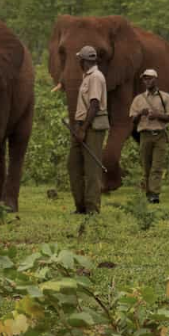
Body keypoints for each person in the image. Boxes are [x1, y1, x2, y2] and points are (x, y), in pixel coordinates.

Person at [68, 45, 108, 214]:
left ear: (83, 61)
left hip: (92, 128)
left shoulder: (96, 77)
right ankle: (81, 206)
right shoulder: (87, 77)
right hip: (81, 126)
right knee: (73, 165)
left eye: (80, 59)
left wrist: (83, 129)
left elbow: (94, 104)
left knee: (92, 169)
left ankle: (92, 209)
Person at [129, 68, 169, 204]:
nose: (147, 81)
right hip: (145, 135)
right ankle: (148, 193)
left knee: (157, 166)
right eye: (145, 79)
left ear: (156, 79)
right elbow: (133, 120)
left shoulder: (165, 97)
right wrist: (139, 114)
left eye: (150, 78)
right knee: (146, 166)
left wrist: (157, 115)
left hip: (160, 135)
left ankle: (154, 194)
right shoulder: (138, 99)